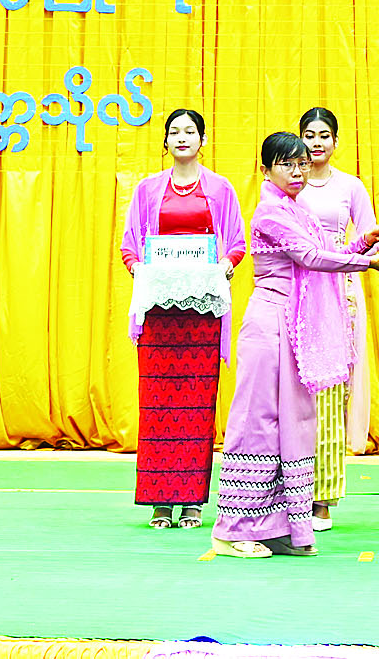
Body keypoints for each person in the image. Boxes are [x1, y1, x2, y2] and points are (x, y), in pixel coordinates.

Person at [211, 133, 379, 558]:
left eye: (301, 164)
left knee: (295, 425)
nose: (296, 171)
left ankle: (279, 528)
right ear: (265, 170)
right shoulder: (269, 213)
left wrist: (367, 241)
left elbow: (325, 252)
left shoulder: (299, 212)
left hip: (294, 327)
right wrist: (369, 263)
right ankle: (231, 531)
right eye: (286, 164)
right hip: (269, 325)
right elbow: (311, 259)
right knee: (258, 421)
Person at [120, 108, 247, 530]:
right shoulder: (147, 189)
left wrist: (225, 265)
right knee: (157, 405)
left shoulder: (221, 189)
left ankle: (192, 501)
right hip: (159, 314)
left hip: (201, 313)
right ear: (165, 141)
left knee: (197, 406)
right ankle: (159, 500)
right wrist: (140, 269)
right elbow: (129, 246)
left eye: (190, 131)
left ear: (203, 140)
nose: (181, 137)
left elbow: (236, 243)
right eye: (174, 131)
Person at [296, 106, 376, 530]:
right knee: (294, 392)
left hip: (339, 290)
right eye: (309, 135)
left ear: (336, 141)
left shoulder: (350, 186)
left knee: (331, 395)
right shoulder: (286, 184)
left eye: (323, 135)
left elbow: (369, 238)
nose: (316, 143)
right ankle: (290, 490)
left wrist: (338, 256)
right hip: (296, 291)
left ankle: (322, 498)